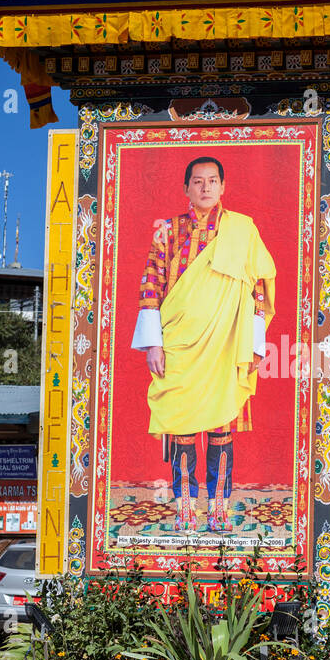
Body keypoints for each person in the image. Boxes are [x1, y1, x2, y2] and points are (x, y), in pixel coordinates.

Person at [131, 156, 276, 533]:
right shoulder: (167, 231)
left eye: (213, 181)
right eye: (198, 182)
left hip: (227, 342)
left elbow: (257, 289)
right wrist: (153, 345)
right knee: (181, 428)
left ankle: (218, 509)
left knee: (220, 429)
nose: (206, 187)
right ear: (186, 189)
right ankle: (184, 508)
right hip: (178, 342)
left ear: (223, 186)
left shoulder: (242, 230)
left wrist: (256, 344)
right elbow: (151, 285)